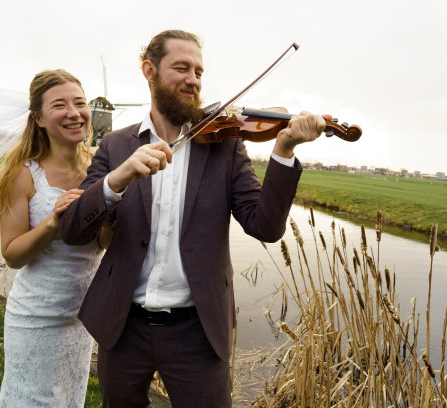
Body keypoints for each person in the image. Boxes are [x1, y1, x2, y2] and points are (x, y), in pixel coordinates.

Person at [59, 30, 328, 407]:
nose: (193, 79)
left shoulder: (225, 144)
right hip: (123, 326)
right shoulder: (116, 145)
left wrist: (283, 150)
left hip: (197, 332)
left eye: (199, 72)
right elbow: (73, 229)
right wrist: (115, 180)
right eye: (181, 68)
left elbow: (265, 226)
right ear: (149, 71)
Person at [0, 69, 113, 407]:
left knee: (69, 400)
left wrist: (112, 220)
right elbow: (12, 256)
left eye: (80, 103)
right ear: (39, 118)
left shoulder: (101, 169)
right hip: (36, 320)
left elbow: (99, 245)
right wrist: (53, 222)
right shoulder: (23, 175)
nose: (74, 113)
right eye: (60, 105)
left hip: (82, 317)